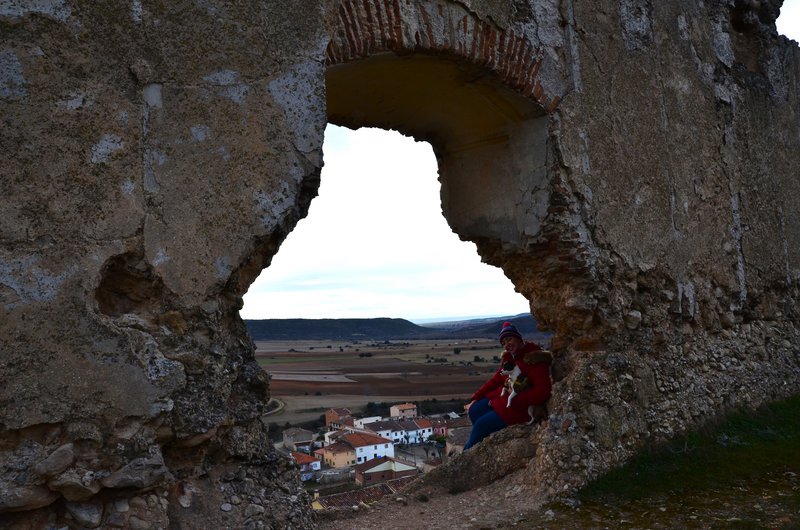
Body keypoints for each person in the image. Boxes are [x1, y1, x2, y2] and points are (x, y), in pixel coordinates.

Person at [463, 321, 552, 450]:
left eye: (509, 339)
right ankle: (480, 441)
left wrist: (516, 399)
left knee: (481, 425)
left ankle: (468, 454)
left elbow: (543, 391)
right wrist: (475, 398)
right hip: (504, 398)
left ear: (519, 338)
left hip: (521, 408)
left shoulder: (534, 359)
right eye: (503, 343)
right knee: (474, 410)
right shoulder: (509, 358)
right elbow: (496, 380)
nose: (507, 345)